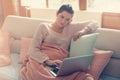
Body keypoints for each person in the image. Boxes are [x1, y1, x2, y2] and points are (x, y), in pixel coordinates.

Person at [20, 4, 98, 80]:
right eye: (62, 17)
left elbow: (95, 23)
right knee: (39, 75)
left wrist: (83, 31)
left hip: (59, 66)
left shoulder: (70, 28)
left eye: (67, 19)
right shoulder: (44, 27)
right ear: (57, 14)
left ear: (70, 20)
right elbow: (32, 49)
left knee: (86, 77)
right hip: (42, 62)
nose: (63, 21)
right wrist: (48, 61)